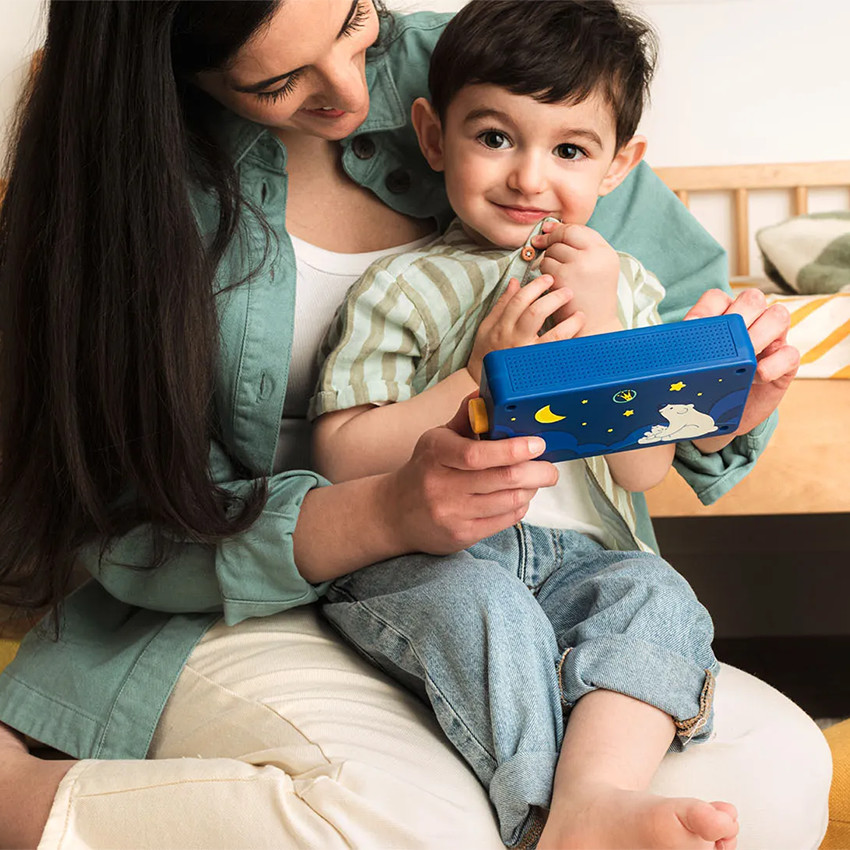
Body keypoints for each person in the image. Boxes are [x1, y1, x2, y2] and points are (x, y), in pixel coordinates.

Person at [0, 1, 829, 848]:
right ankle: (26, 798)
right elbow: (144, 515)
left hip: (573, 564)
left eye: (356, 20)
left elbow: (657, 426)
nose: (353, 93)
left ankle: (580, 809)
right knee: (424, 823)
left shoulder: (503, 65)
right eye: (281, 80)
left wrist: (722, 404)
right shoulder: (148, 196)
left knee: (775, 776)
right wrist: (418, 468)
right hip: (273, 583)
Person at [308, 3, 760, 847]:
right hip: (434, 558)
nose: (528, 178)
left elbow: (642, 475)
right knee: (486, 608)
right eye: (494, 138)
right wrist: (477, 377)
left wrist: (609, 334)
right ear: (435, 138)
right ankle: (542, 819)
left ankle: (597, 796)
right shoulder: (404, 285)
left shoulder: (623, 286)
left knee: (658, 595)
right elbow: (339, 455)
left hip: (585, 560)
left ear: (618, 166)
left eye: (569, 150)